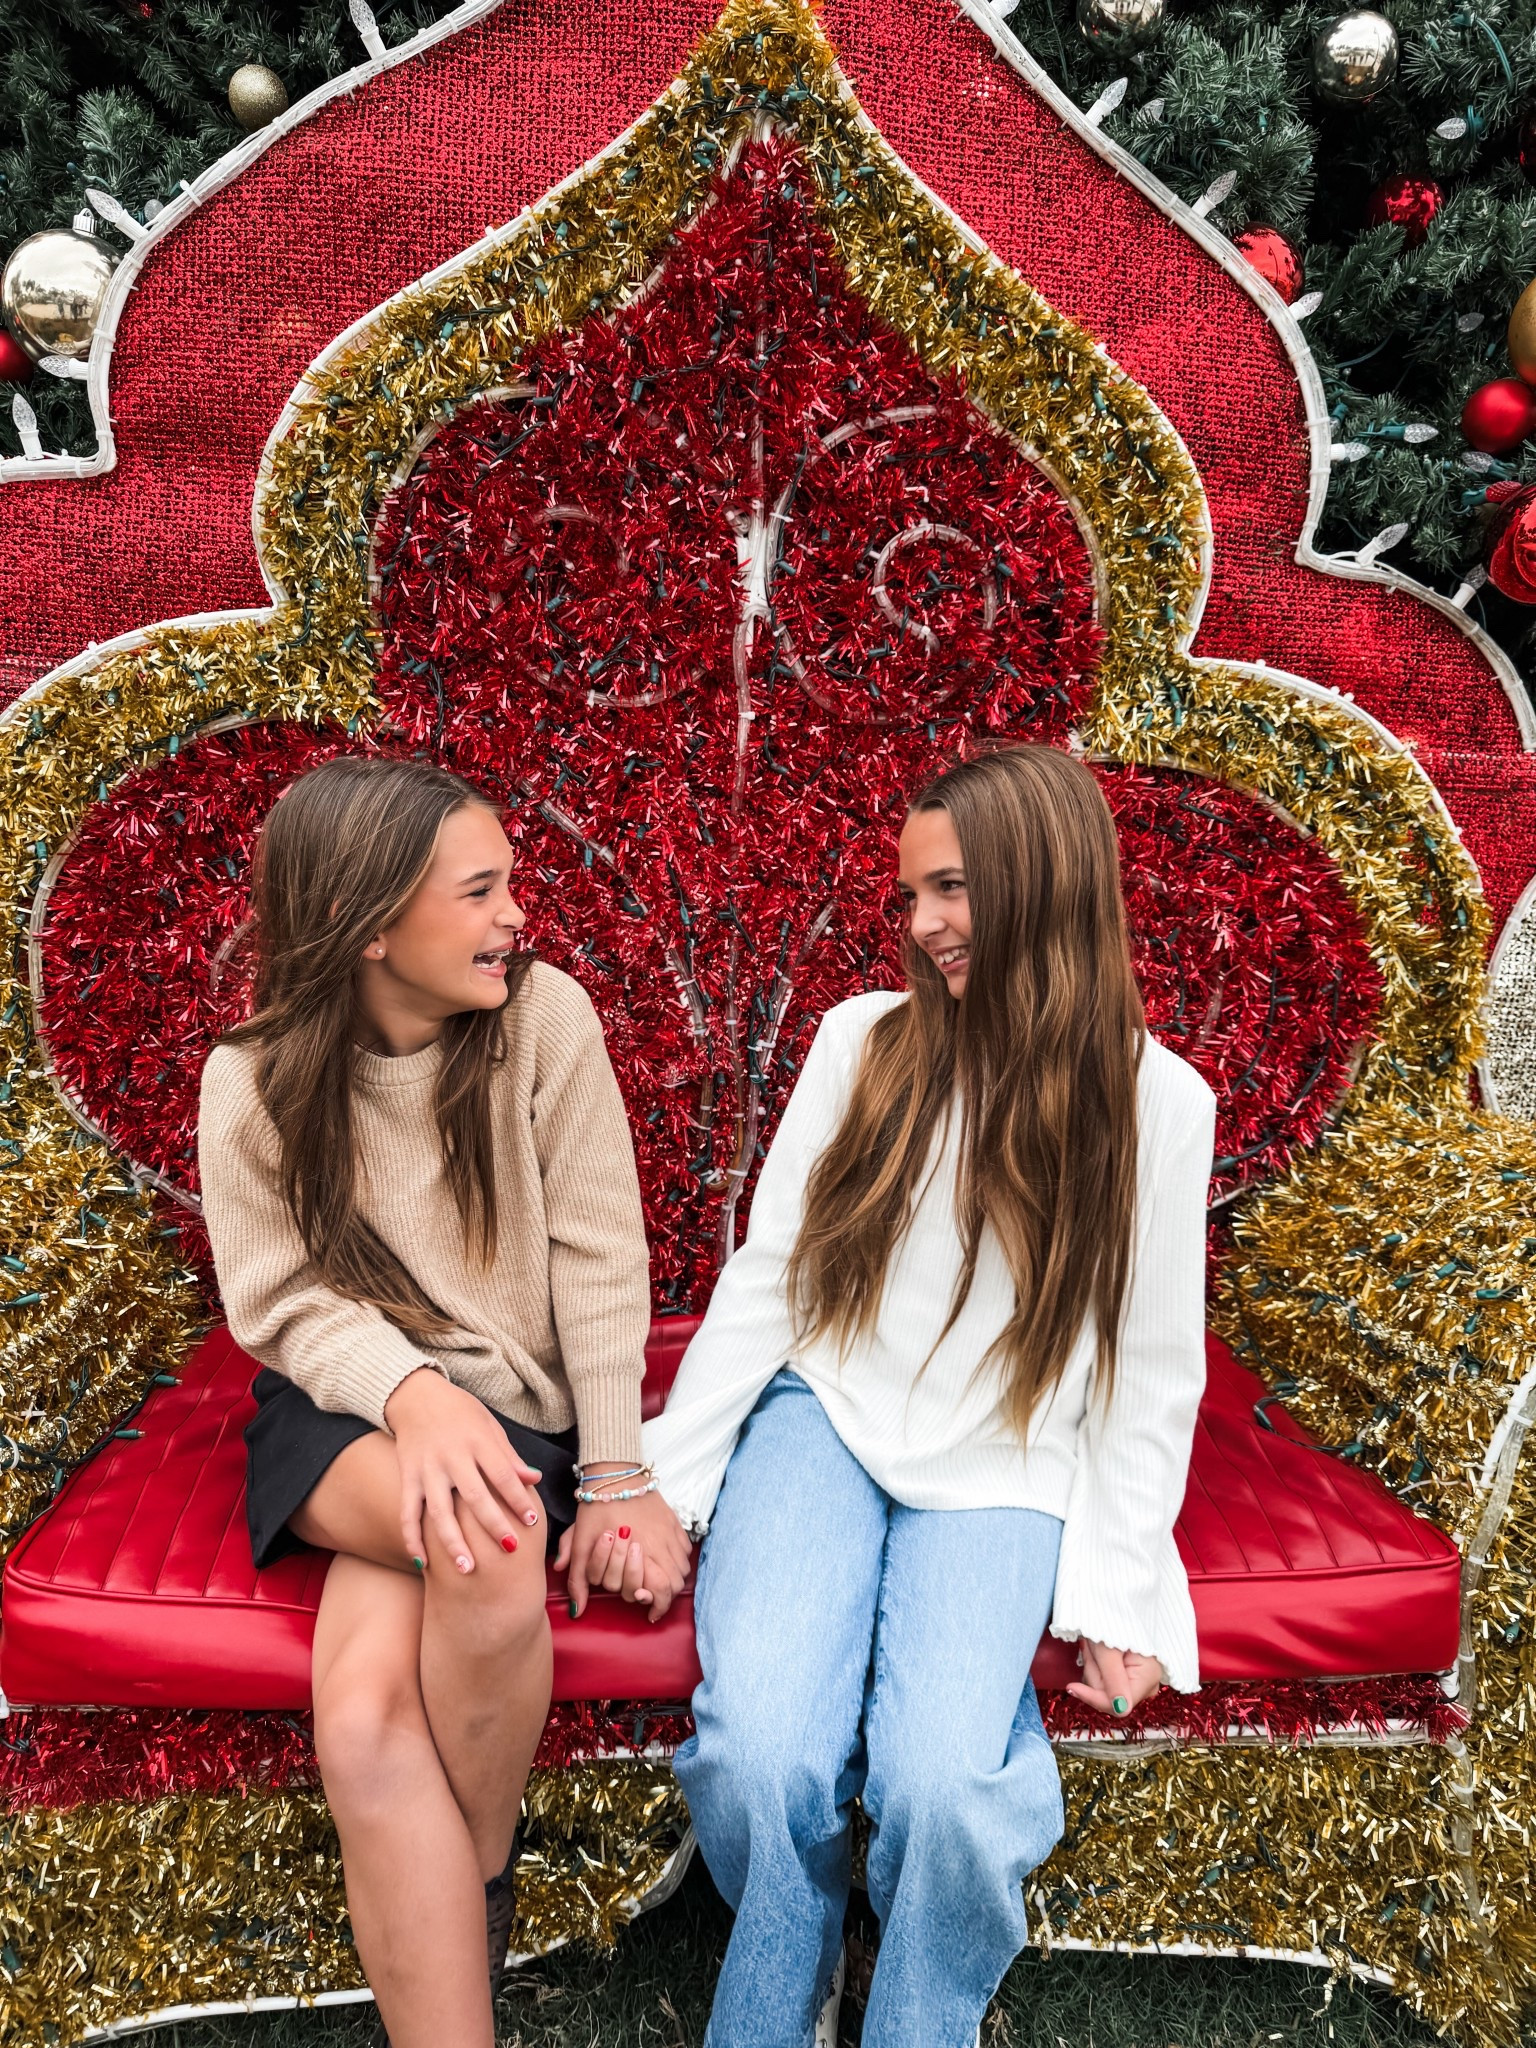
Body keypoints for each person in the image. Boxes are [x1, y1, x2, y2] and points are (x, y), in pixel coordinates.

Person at [644, 744, 1217, 2048]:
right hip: (827, 1418)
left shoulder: (1157, 1103)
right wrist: (673, 1477)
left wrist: (1122, 1587)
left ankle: (916, 2016)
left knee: (948, 1785)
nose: (921, 925)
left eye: (951, 887)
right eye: (911, 896)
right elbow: (775, 1267)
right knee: (761, 1753)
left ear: (1044, 877)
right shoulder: (864, 1040)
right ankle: (780, 1998)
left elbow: (1148, 1366)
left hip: (1010, 1460)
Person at [197, 756, 691, 2048]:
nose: (513, 916)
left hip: (514, 1401)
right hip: (343, 1404)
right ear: (371, 926)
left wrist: (618, 1477)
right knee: (483, 1538)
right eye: (479, 893)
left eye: (507, 885)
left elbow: (598, 1253)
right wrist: (410, 1395)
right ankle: (483, 1891)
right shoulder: (250, 1079)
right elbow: (281, 1301)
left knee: (363, 1723)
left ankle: (454, 1927)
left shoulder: (547, 1024)